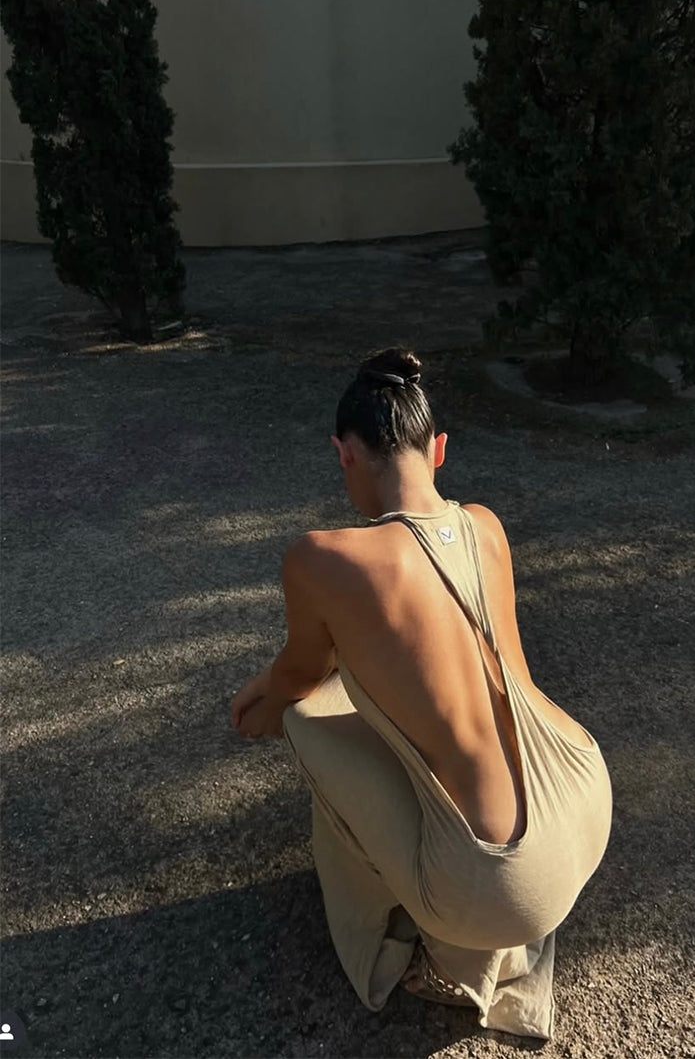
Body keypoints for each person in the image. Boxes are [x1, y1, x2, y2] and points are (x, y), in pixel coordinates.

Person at [230, 345, 612, 1040]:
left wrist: (260, 698)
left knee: (307, 721)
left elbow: (298, 679)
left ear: (344, 454)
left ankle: (435, 947)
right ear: (438, 450)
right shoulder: (486, 524)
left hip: (505, 880)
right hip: (584, 795)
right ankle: (474, 903)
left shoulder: (323, 556)